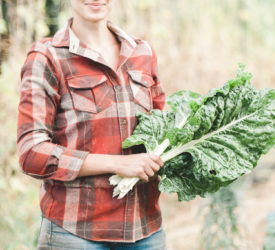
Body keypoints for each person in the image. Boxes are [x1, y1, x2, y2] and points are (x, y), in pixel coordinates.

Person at [17, 0, 167, 249]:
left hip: (146, 229)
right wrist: (117, 163)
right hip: (76, 233)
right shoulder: (47, 56)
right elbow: (31, 153)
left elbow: (165, 131)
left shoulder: (142, 52)